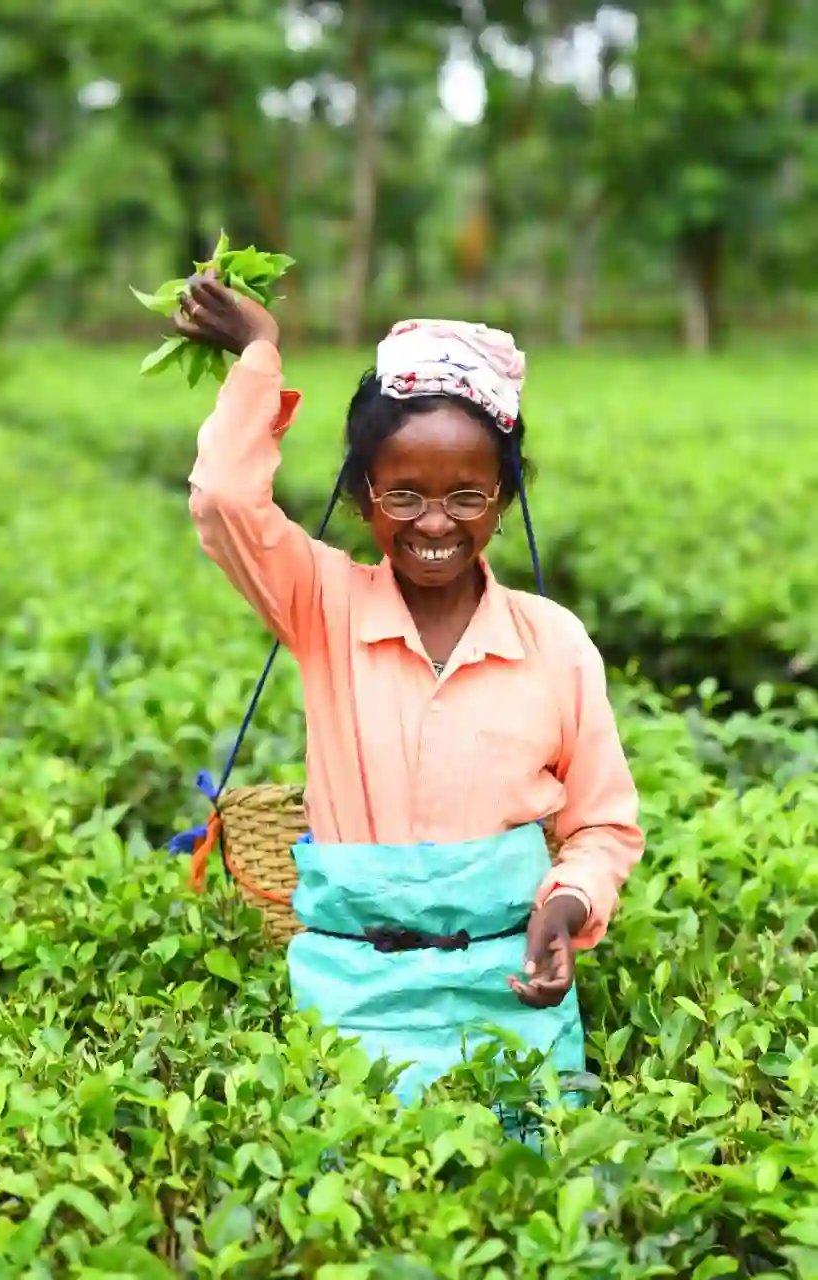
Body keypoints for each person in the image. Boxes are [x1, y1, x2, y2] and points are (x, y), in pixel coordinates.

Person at [176, 274, 644, 1117]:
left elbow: (601, 824)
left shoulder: (556, 643)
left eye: (467, 494)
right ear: (362, 499)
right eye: (405, 495)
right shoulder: (322, 605)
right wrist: (259, 352)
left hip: (511, 997)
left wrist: (566, 906)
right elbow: (221, 500)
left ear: (503, 500)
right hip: (353, 998)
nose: (436, 524)